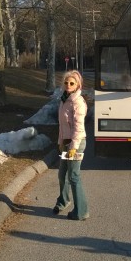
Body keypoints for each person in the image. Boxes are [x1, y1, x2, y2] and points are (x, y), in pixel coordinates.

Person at [53, 70, 89, 221]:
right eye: (66, 82)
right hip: (66, 143)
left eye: (72, 83)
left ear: (78, 85)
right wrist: (60, 142)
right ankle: (63, 201)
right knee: (62, 175)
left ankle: (81, 211)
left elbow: (78, 128)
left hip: (77, 143)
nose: (68, 85)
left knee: (74, 177)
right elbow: (63, 125)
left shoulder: (77, 102)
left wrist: (73, 147)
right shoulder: (64, 99)